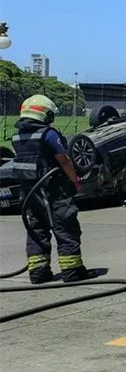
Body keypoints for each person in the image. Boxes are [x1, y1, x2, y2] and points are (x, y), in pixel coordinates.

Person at [10, 95, 90, 284]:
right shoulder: (48, 134)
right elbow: (64, 160)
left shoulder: (16, 136)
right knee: (66, 227)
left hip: (30, 193)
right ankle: (73, 271)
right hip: (53, 190)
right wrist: (75, 181)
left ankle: (38, 273)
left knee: (36, 230)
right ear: (45, 114)